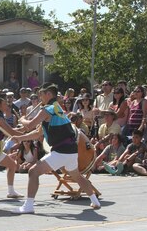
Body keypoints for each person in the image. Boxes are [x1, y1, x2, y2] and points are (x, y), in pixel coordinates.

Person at [13, 83, 101, 213]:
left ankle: (28, 206)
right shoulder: (56, 107)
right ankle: (95, 201)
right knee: (78, 176)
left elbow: (29, 125)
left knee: (33, 172)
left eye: (41, 94)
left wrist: (22, 119)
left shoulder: (48, 109)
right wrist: (20, 138)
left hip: (61, 150)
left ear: (49, 94)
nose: (39, 97)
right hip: (70, 150)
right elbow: (38, 133)